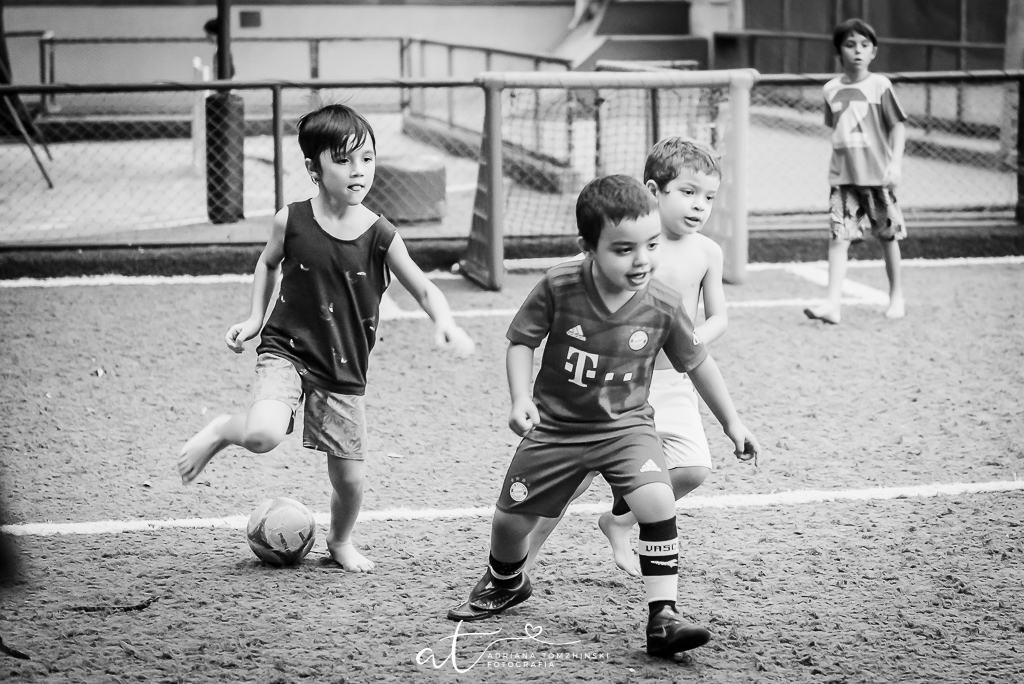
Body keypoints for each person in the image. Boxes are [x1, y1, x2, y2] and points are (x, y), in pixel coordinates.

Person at [446, 175, 760, 661]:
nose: (642, 260)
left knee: (658, 502)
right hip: (556, 429)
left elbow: (698, 363)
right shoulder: (559, 285)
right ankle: (506, 580)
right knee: (510, 522)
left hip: (626, 430)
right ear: (587, 247)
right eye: (623, 249)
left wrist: (732, 423)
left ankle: (664, 617)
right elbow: (521, 341)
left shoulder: (663, 302)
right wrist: (519, 398)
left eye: (651, 245)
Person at [177, 104, 475, 572]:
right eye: (344, 160)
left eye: (367, 159)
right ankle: (220, 430)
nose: (359, 170)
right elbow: (267, 263)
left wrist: (445, 321)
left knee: (350, 481)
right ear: (313, 168)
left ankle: (339, 541)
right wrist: (255, 318)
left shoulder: (381, 235)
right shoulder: (291, 220)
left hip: (343, 366)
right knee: (263, 434)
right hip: (286, 349)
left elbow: (424, 288)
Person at [524, 137, 729, 579]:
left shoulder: (708, 252)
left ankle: (620, 519)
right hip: (610, 381)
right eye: (688, 192)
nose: (700, 205)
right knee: (570, 483)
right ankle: (520, 561)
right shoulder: (627, 246)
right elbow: (581, 281)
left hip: (670, 380)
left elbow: (718, 318)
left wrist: (685, 342)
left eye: (709, 197)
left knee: (693, 468)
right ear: (654, 192)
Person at [804, 17, 908, 325]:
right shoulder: (830, 89)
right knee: (839, 238)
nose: (858, 51)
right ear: (838, 51)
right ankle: (832, 304)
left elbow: (898, 126)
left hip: (877, 177)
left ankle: (896, 295)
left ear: (873, 52)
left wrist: (895, 163)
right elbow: (836, 128)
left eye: (864, 45)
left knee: (887, 237)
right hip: (843, 179)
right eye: (850, 45)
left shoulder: (880, 85)